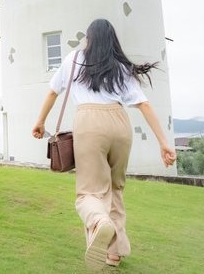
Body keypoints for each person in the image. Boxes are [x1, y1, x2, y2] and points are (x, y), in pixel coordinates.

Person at [31, 18, 176, 269]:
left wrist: (40, 122)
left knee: (88, 192)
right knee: (115, 188)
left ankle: (99, 222)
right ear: (112, 40)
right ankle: (114, 253)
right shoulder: (119, 66)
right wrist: (164, 144)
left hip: (89, 122)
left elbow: (53, 92)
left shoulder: (74, 59)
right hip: (120, 123)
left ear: (88, 38)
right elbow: (144, 104)